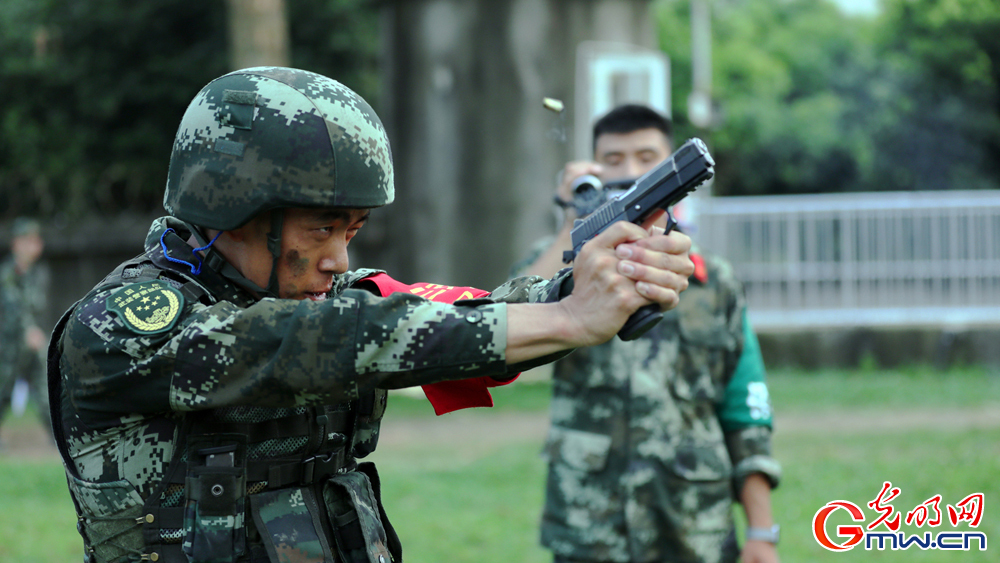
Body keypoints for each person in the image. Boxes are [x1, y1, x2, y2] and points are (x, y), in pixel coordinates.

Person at [47, 67, 694, 563]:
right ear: (237, 210)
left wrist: (587, 286)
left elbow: (468, 319)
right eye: (323, 228)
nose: (338, 258)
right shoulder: (122, 326)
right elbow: (307, 344)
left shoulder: (325, 298)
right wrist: (573, 318)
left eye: (352, 230)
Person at [514, 104, 781, 563]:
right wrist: (570, 225)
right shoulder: (562, 264)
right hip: (589, 527)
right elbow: (504, 335)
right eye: (613, 160)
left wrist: (762, 530)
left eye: (646, 158)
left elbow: (745, 407)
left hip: (693, 526)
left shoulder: (713, 280)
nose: (631, 171)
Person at [0, 217, 52, 449]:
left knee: (46, 389)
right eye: (25, 240)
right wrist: (29, 331)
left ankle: (58, 438)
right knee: (3, 390)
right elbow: (13, 309)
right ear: (15, 244)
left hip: (31, 343)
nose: (31, 246)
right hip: (7, 346)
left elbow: (38, 309)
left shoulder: (39, 274)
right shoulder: (7, 275)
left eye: (34, 241)